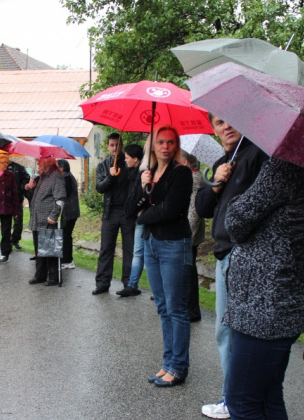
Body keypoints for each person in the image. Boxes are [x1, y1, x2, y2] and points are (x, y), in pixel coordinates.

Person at [223, 158, 304, 418]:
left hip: (265, 307)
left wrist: (236, 192)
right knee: (268, 395)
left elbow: (235, 223)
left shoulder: (283, 168)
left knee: (242, 402)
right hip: (281, 299)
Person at [196, 113, 268, 419]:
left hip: (243, 255)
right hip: (225, 255)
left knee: (231, 332)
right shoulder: (222, 162)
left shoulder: (257, 156)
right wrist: (216, 183)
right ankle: (239, 398)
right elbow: (202, 208)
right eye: (219, 123)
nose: (226, 126)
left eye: (232, 119)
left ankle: (235, 400)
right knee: (228, 332)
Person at [133, 125, 193, 387]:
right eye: (160, 142)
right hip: (151, 243)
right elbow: (129, 207)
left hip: (173, 243)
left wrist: (142, 216)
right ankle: (167, 362)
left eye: (170, 142)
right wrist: (143, 187)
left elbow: (170, 209)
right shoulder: (148, 174)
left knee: (177, 309)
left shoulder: (182, 173)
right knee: (162, 307)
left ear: (176, 146)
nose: (166, 146)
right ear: (153, 146)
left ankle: (178, 367)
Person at [93, 132, 135, 295]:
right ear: (107, 146)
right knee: (106, 248)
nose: (115, 148)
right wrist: (110, 176)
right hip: (110, 212)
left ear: (121, 145)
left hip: (127, 212)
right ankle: (102, 283)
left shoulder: (128, 163)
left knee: (129, 249)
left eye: (117, 144)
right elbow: (100, 188)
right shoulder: (103, 165)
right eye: (111, 145)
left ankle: (129, 283)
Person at [25, 157, 66, 287]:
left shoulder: (55, 176)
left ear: (48, 162)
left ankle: (53, 277)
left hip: (47, 218)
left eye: (40, 161)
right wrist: (31, 187)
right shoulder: (43, 176)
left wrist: (54, 215)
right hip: (38, 218)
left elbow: (60, 197)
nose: (38, 163)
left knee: (50, 249)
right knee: (39, 249)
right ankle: (40, 275)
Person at [117, 143, 145, 297]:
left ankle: (155, 290)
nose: (126, 161)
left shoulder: (143, 173)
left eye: (128, 158)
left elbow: (141, 195)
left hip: (144, 217)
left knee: (144, 253)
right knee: (138, 252)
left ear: (136, 159)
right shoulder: (132, 173)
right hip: (137, 216)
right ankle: (132, 284)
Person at [184, 152, 205, 322]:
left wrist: (187, 233)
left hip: (189, 234)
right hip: (186, 232)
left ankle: (192, 311)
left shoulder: (195, 178)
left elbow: (193, 210)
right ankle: (188, 308)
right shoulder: (189, 177)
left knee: (189, 273)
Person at [57, 159, 80, 270]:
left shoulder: (66, 178)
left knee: (66, 236)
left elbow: (64, 194)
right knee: (65, 235)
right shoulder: (67, 176)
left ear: (62, 168)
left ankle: (67, 260)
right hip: (70, 211)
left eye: (57, 167)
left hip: (69, 212)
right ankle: (66, 259)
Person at [7, 158, 30, 250]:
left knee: (18, 222)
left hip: (17, 198)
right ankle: (7, 241)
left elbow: (26, 177)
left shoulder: (19, 166)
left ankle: (15, 240)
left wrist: (21, 188)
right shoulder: (1, 165)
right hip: (5, 200)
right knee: (7, 223)